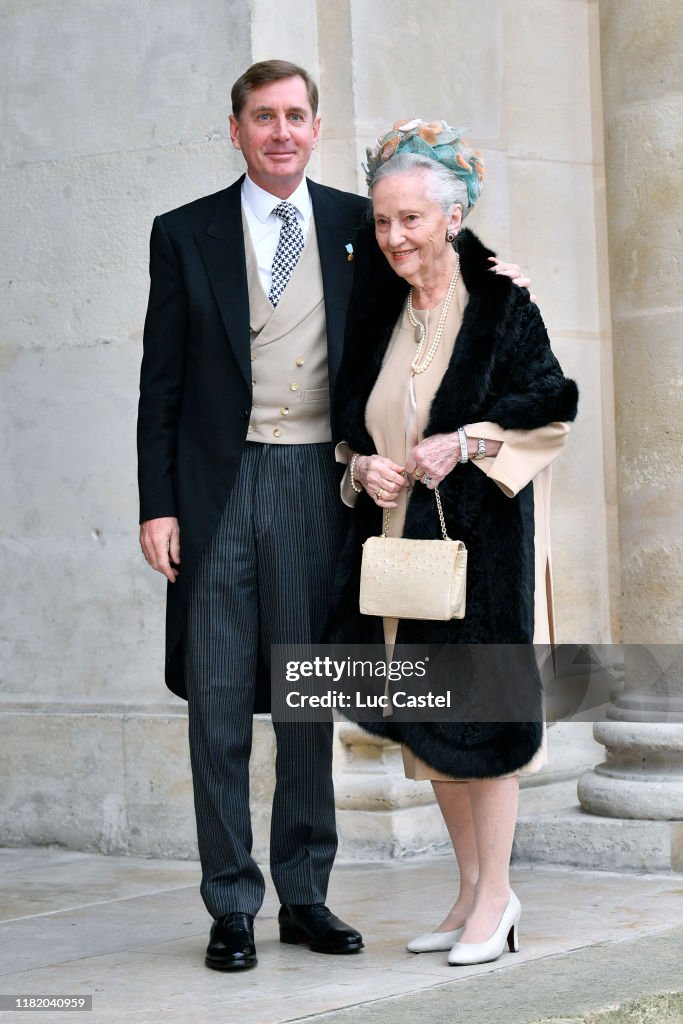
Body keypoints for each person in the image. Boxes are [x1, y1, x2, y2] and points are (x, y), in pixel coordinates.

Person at [137, 62, 531, 973]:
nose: (281, 131)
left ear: (315, 130)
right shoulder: (182, 232)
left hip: (323, 481)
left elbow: (437, 258)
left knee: (310, 695)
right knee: (219, 702)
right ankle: (230, 903)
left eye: (296, 117)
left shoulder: (360, 222)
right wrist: (157, 503)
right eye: (263, 117)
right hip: (215, 488)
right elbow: (160, 382)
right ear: (233, 128)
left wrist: (498, 274)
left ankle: (305, 895)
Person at [328, 119, 578, 967]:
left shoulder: (503, 303)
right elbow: (349, 429)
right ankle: (470, 891)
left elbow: (548, 410)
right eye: (384, 220)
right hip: (404, 552)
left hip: (484, 547)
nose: (395, 237)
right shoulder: (375, 311)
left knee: (484, 721)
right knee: (429, 727)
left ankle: (499, 895)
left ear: (453, 216)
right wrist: (363, 469)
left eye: (411, 219)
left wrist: (465, 440)